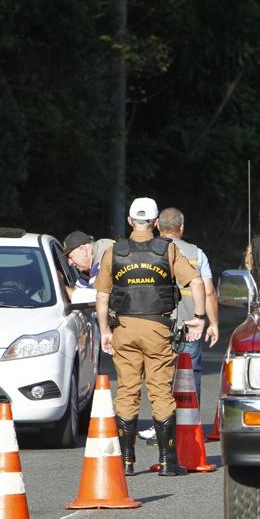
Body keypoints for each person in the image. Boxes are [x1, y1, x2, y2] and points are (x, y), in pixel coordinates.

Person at [94, 197, 206, 477]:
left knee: (128, 391)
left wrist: (105, 330)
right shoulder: (167, 251)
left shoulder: (113, 252)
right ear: (156, 224)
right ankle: (168, 461)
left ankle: (126, 462)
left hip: (124, 328)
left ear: (129, 221)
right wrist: (199, 317)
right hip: (158, 328)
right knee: (160, 392)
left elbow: (102, 295)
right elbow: (196, 281)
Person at [138, 207, 219, 444]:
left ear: (157, 226)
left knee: (158, 375)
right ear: (181, 228)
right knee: (189, 375)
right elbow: (209, 291)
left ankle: (160, 427)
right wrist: (212, 323)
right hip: (188, 325)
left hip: (154, 324)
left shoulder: (146, 251)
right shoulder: (196, 253)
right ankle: (189, 428)